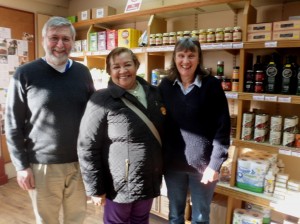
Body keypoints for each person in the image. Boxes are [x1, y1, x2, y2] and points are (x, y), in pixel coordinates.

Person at [5, 16, 95, 223]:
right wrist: (20, 166)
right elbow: (12, 124)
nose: (60, 45)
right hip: (41, 166)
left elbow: (93, 118)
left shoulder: (82, 72)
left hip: (79, 164)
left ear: (73, 41)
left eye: (66, 39)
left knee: (77, 218)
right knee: (47, 220)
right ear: (44, 39)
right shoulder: (25, 73)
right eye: (54, 38)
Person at [77, 47, 165, 224]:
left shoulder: (154, 94)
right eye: (116, 67)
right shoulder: (101, 99)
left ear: (136, 66)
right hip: (119, 184)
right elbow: (87, 146)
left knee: (141, 220)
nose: (123, 71)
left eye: (127, 65)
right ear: (109, 71)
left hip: (149, 178)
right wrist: (95, 189)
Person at [158, 38, 231, 224]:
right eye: (181, 55)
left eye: (191, 56)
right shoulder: (165, 86)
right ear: (174, 58)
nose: (185, 61)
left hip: (203, 167)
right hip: (173, 166)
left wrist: (215, 165)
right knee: (175, 216)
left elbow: (223, 128)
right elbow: (158, 122)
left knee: (200, 218)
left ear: (199, 59)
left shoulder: (211, 85)